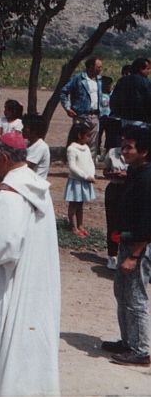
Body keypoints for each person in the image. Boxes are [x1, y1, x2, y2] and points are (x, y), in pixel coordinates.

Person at [0, 131, 60, 395]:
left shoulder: (11, 193)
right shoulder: (37, 187)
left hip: (2, 282)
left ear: (4, 158)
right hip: (32, 279)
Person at [101, 125, 151, 367]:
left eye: (129, 147)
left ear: (144, 151)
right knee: (122, 293)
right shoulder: (134, 172)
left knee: (136, 297)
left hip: (139, 247)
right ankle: (127, 341)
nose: (124, 151)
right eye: (123, 146)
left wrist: (134, 255)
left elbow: (147, 223)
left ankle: (141, 351)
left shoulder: (147, 179)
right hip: (126, 242)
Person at [60, 56, 103, 157]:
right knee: (78, 142)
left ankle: (90, 164)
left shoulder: (99, 80)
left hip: (95, 116)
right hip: (81, 116)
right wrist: (67, 108)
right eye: (98, 67)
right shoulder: (78, 78)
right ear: (91, 67)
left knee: (93, 144)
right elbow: (64, 92)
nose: (100, 69)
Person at [65, 123, 97, 238]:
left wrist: (91, 174)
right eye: (87, 135)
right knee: (73, 205)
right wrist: (85, 176)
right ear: (79, 135)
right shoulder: (72, 149)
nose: (89, 138)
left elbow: (90, 162)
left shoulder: (86, 148)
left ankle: (80, 225)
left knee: (80, 205)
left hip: (85, 181)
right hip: (76, 182)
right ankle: (73, 226)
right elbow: (72, 167)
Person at [103, 142, 127, 271]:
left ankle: (126, 255)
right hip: (114, 189)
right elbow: (105, 171)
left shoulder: (138, 153)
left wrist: (127, 175)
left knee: (127, 224)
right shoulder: (112, 152)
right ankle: (112, 256)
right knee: (112, 223)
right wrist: (111, 173)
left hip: (129, 190)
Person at [110, 57, 151, 129]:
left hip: (124, 120)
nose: (149, 71)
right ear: (141, 69)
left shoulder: (122, 81)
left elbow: (114, 100)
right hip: (141, 121)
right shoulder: (145, 82)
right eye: (147, 69)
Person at [23, 113, 51, 181]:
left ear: (34, 131)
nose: (22, 129)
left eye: (25, 127)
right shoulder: (28, 144)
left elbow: (25, 167)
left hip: (35, 184)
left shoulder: (40, 146)